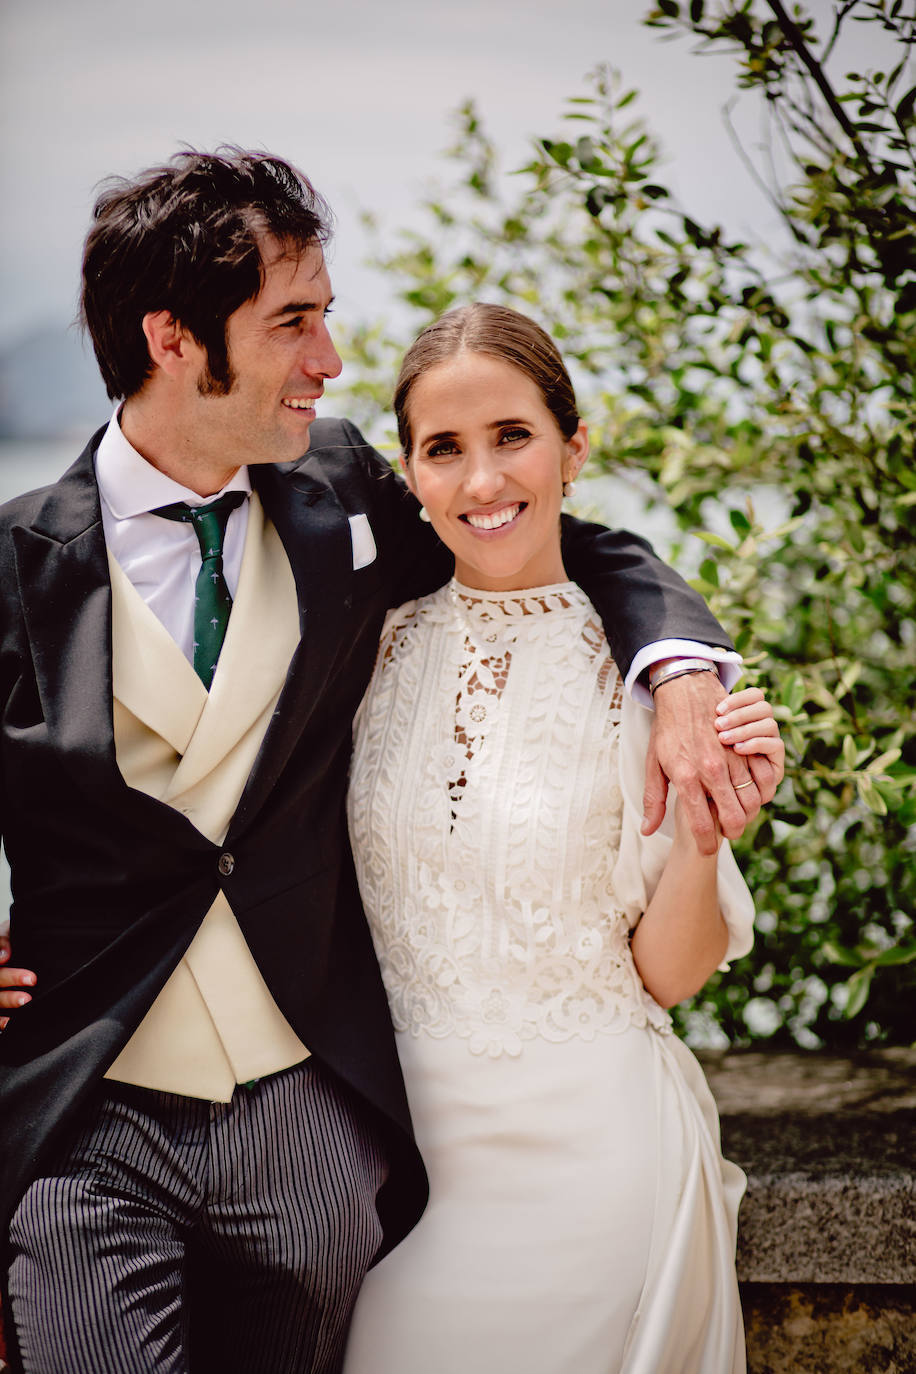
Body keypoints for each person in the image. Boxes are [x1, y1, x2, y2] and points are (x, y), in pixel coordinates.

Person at [0, 149, 775, 1374]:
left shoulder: (339, 497)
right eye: (294, 321)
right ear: (172, 339)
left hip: (313, 1115)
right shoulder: (14, 563)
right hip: (87, 1105)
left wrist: (677, 672)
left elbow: (559, 543)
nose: (330, 359)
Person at [341, 304, 784, 1374]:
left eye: (512, 436)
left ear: (573, 448)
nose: (482, 480)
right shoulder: (362, 649)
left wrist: (699, 835)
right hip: (394, 1170)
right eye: (444, 449)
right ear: (409, 474)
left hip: (596, 1166)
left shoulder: (658, 684)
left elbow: (668, 978)